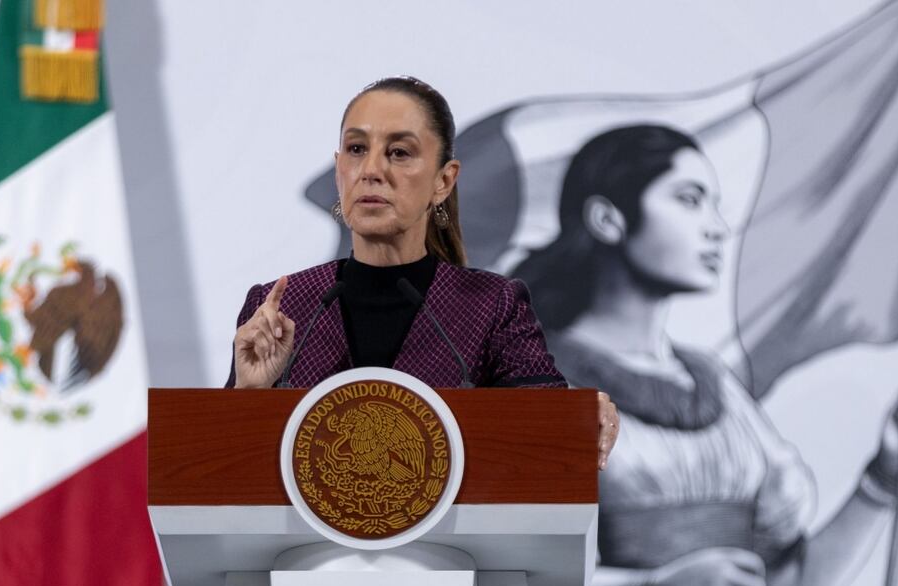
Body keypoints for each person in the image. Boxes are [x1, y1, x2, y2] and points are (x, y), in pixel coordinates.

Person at [515, 124, 898, 586]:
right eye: (689, 200)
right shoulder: (535, 379)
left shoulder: (718, 386)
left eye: (714, 204)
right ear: (607, 219)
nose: (716, 227)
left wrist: (884, 475)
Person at [226, 76, 619, 468]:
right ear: (338, 170)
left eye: (399, 152)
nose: (371, 170)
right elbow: (224, 470)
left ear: (443, 181)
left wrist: (581, 414)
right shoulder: (280, 307)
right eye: (357, 149)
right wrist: (249, 393)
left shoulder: (493, 308)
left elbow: (546, 421)